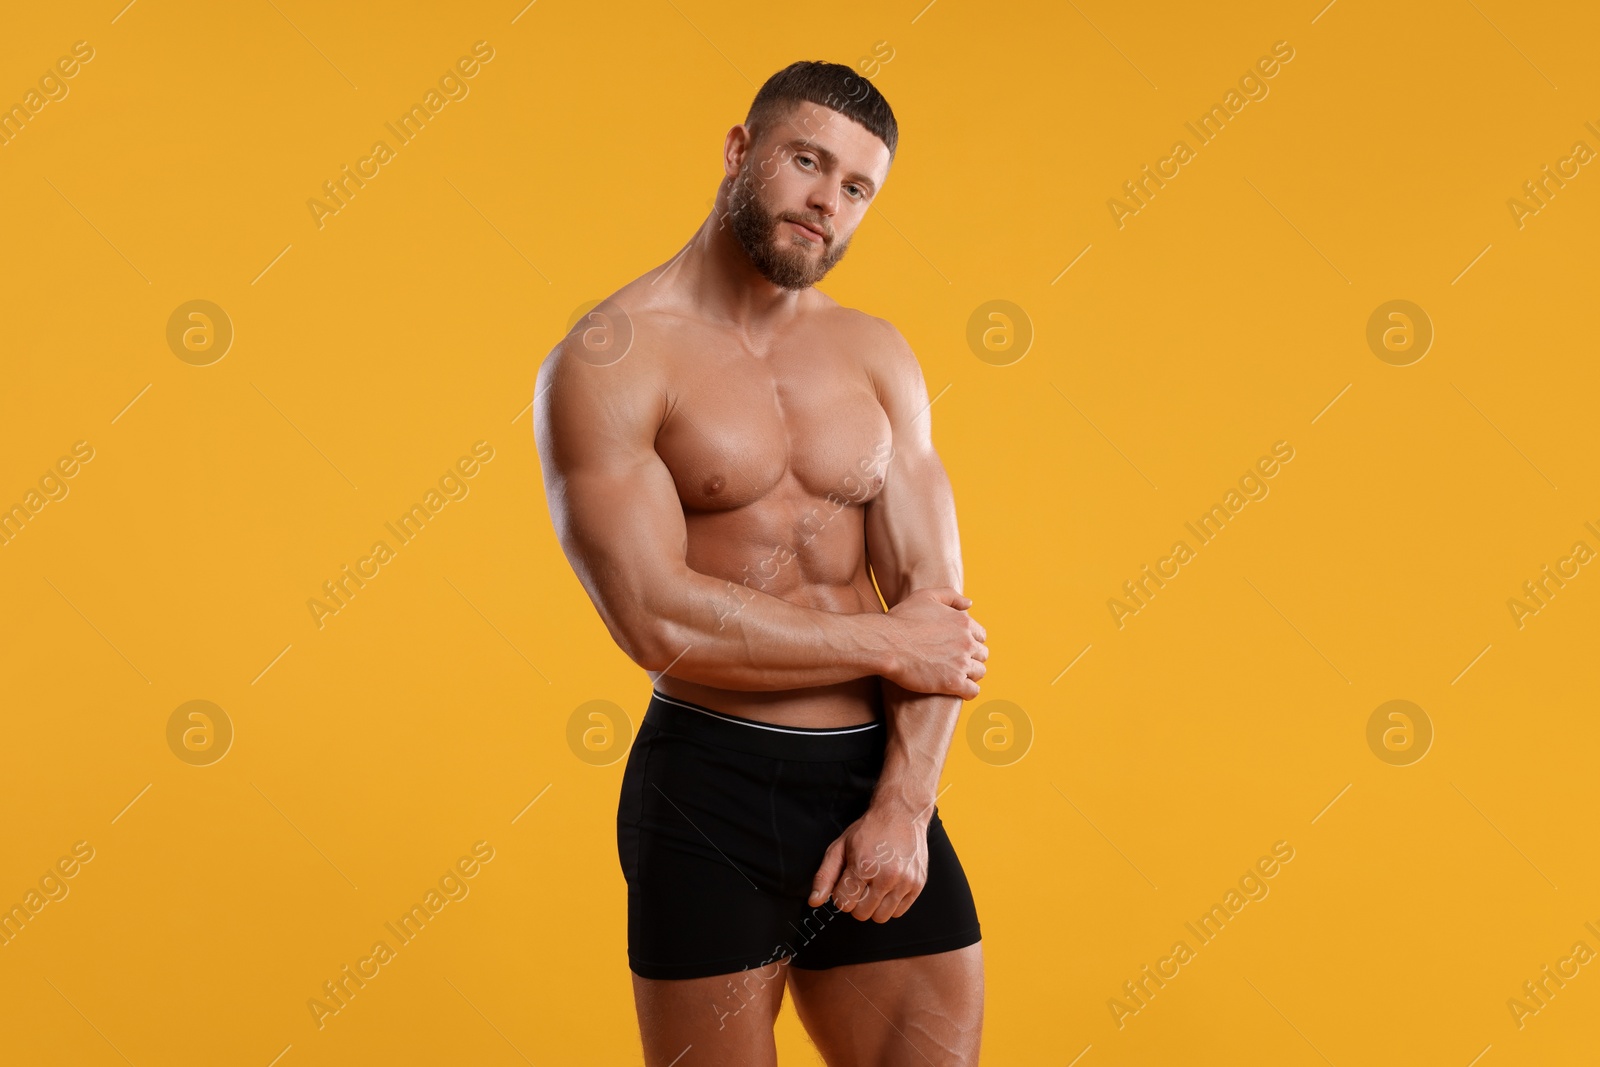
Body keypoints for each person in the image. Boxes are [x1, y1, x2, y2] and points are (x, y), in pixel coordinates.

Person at [533, 59, 989, 1066]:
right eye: (806, 161)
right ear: (741, 151)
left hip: (874, 779)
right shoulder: (611, 358)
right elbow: (656, 618)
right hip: (708, 789)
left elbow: (940, 620)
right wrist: (884, 640)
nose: (826, 200)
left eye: (856, 186)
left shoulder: (877, 356)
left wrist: (904, 807)